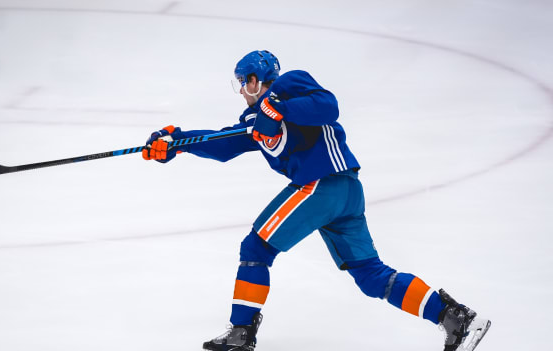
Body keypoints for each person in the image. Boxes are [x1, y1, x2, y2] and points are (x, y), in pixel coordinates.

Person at [141, 50, 491, 351]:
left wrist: (278, 106)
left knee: (256, 248)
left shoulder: (289, 84)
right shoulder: (254, 119)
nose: (242, 92)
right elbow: (223, 143)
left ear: (253, 79)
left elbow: (328, 106)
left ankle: (242, 332)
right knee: (371, 276)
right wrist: (176, 142)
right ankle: (455, 317)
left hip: (322, 185)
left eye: (242, 82)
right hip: (345, 193)